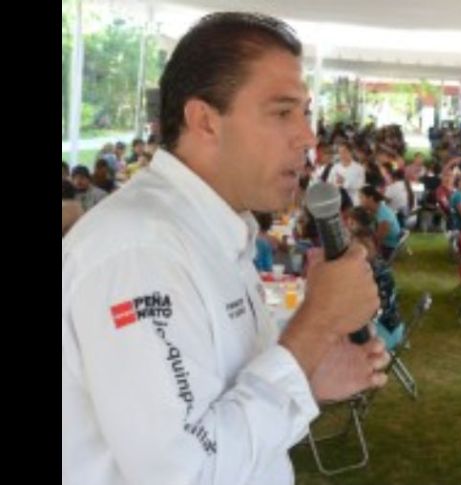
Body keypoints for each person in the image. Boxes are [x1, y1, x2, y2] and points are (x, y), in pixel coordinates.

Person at [62, 13, 389, 485]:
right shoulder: (140, 254)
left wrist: (303, 381)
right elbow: (186, 473)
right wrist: (315, 327)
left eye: (306, 112)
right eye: (282, 112)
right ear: (204, 121)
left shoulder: (213, 233)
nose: (308, 137)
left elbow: (217, 424)